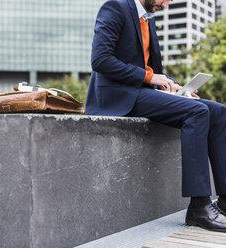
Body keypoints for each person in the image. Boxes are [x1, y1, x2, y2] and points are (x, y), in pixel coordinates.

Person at [86, 0, 226, 232]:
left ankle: (224, 201)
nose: (166, 4)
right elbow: (100, 60)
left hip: (141, 91)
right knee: (197, 111)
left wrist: (173, 85)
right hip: (117, 97)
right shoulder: (114, 7)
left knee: (219, 111)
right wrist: (150, 79)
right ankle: (199, 207)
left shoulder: (147, 19)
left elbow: (152, 70)